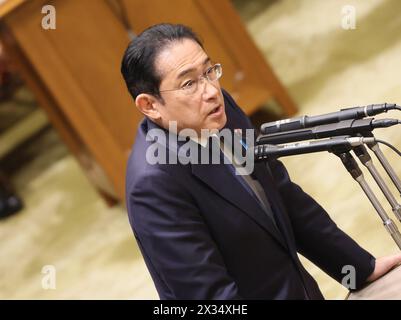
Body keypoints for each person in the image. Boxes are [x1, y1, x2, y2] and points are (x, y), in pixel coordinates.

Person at [121, 23, 401, 299]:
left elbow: (281, 194)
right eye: (189, 83)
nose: (210, 91)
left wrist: (358, 268)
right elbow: (211, 298)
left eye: (209, 71)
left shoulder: (221, 110)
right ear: (150, 105)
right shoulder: (154, 186)